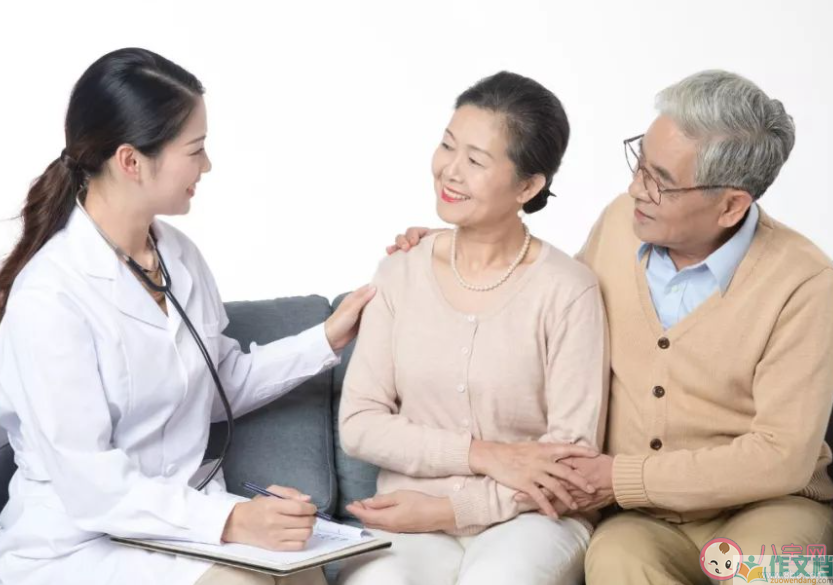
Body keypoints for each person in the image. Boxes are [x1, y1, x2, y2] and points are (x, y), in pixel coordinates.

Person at [393, 70, 833, 584]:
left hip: (771, 507)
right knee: (616, 562)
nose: (635, 188)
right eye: (639, 162)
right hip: (643, 519)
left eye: (659, 181)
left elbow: (782, 456)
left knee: (765, 570)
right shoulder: (623, 222)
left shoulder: (806, 282)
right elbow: (546, 303)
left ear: (731, 205)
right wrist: (468, 248)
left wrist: (620, 477)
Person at [0, 48, 375, 585]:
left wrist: (327, 339)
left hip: (177, 523)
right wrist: (233, 521)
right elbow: (92, 485)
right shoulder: (49, 296)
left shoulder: (179, 257)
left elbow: (218, 384)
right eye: (195, 149)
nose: (207, 166)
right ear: (131, 161)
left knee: (303, 574)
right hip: (81, 544)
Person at [337, 71, 609, 585]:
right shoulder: (400, 270)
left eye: (477, 161)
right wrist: (484, 456)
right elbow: (359, 424)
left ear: (528, 186)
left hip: (532, 519)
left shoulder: (568, 289)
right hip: (406, 514)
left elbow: (569, 460)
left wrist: (451, 510)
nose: (450, 170)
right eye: (447, 145)